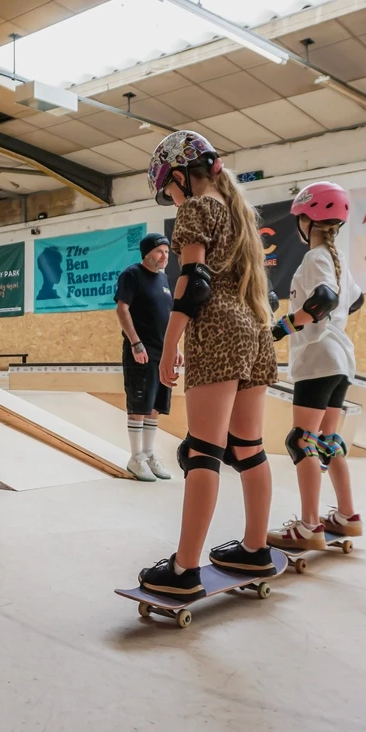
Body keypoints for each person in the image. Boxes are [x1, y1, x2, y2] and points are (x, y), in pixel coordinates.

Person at [136, 129, 278, 601]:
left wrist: (170, 345)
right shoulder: (239, 216)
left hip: (218, 331)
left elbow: (194, 283)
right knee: (248, 448)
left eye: (168, 189)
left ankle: (184, 567)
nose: (171, 198)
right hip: (256, 329)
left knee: (203, 452)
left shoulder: (198, 208)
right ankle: (256, 548)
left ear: (180, 175)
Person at [266, 182, 365, 551]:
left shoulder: (315, 258)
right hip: (340, 359)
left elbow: (325, 298)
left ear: (308, 220)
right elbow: (354, 301)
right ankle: (347, 516)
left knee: (302, 440)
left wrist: (284, 326)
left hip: (318, 358)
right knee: (328, 440)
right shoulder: (336, 259)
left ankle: (309, 526)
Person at [115, 232, 178, 482]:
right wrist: (136, 343)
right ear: (147, 253)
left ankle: (150, 454)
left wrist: (176, 348)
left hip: (163, 354)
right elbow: (122, 309)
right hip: (141, 351)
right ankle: (136, 457)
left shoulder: (164, 279)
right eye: (160, 251)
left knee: (155, 408)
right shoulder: (131, 275)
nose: (165, 256)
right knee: (139, 407)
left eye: (167, 251)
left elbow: (168, 317)